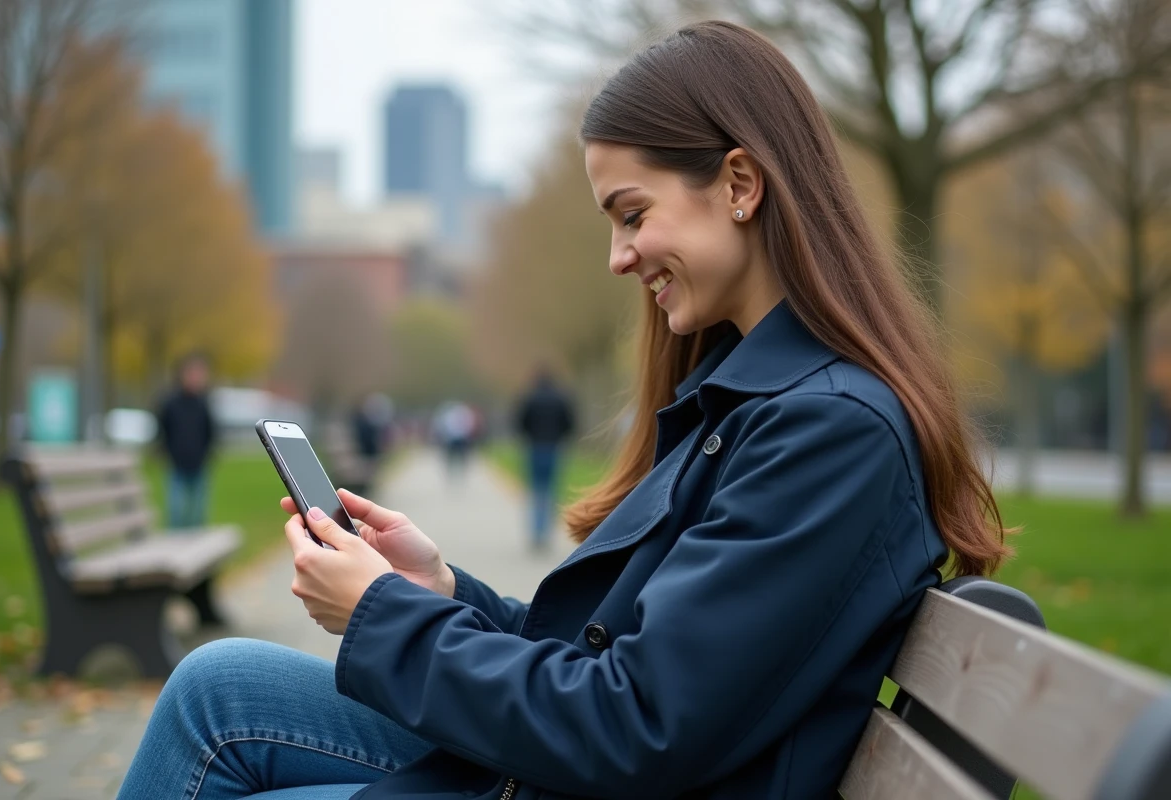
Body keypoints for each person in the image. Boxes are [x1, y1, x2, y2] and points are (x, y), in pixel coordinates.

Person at [119, 22, 1010, 800]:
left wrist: (379, 616)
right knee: (217, 688)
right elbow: (610, 662)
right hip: (572, 773)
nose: (619, 258)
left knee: (215, 715)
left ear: (740, 183)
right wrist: (439, 592)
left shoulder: (829, 431)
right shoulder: (757, 400)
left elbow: (636, 726)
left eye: (631, 214)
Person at [514, 366, 576, 550]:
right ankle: (547, 532)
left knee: (536, 491)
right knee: (552, 490)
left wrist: (529, 436)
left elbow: (520, 422)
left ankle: (537, 532)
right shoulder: (561, 399)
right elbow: (570, 423)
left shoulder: (529, 398)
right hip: (554, 447)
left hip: (534, 447)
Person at [156, 353, 216, 530]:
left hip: (199, 465)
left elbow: (210, 432)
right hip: (177, 465)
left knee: (198, 513)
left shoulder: (203, 403)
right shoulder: (170, 403)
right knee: (176, 512)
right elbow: (163, 430)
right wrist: (168, 452)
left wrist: (206, 453)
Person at [432, 400, 476, 483]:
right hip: (453, 438)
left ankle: (460, 473)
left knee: (461, 457)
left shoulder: (461, 413)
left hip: (459, 438)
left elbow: (468, 425)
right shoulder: (450, 414)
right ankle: (452, 473)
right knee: (453, 457)